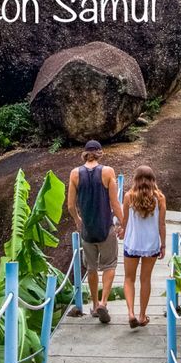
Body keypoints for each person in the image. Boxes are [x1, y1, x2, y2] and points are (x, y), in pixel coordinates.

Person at [67, 139, 124, 324]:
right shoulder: (107, 172)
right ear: (100, 153)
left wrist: (78, 220)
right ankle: (104, 302)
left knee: (91, 268)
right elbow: (115, 204)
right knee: (109, 266)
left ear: (85, 154)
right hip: (105, 227)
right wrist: (124, 223)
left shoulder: (75, 174)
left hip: (88, 230)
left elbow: (70, 206)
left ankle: (94, 304)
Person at [120, 166, 166, 328]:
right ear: (153, 180)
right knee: (145, 279)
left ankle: (131, 312)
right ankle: (142, 316)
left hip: (132, 243)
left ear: (136, 179)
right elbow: (161, 224)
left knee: (128, 279)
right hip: (151, 244)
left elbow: (124, 221)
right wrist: (163, 244)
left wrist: (123, 231)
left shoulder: (128, 197)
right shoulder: (159, 198)